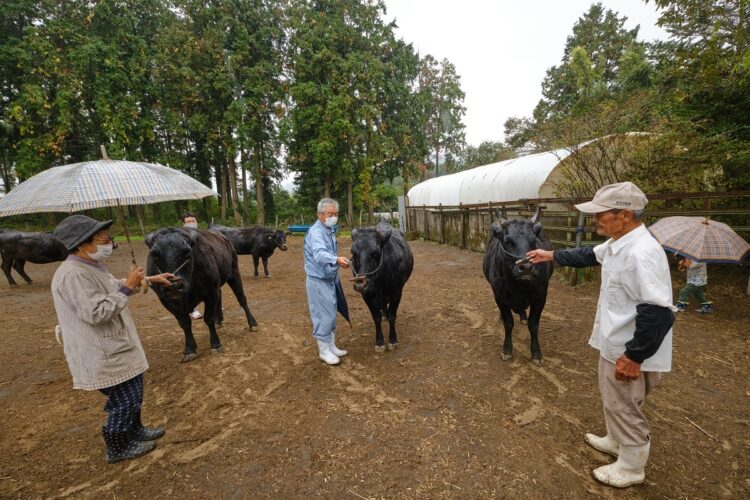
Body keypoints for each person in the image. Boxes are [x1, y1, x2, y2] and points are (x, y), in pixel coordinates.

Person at [526, 182, 675, 488]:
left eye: (601, 214)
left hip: (629, 348)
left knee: (624, 404)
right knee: (615, 399)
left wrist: (634, 356)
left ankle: (632, 468)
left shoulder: (641, 253)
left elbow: (658, 311)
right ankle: (616, 440)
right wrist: (549, 255)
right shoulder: (618, 243)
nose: (595, 221)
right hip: (617, 342)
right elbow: (587, 255)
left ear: (626, 214)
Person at [51, 215, 174, 464]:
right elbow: (95, 313)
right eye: (104, 238)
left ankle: (135, 430)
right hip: (101, 350)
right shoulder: (72, 274)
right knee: (123, 399)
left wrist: (148, 280)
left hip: (114, 346)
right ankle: (117, 445)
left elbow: (111, 287)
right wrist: (128, 287)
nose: (110, 242)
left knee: (134, 390)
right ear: (82, 243)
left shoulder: (89, 266)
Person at [303, 198, 350, 365]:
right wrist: (336, 259)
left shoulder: (328, 229)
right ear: (320, 215)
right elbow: (319, 254)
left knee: (331, 312)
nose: (334, 217)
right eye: (330, 214)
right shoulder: (316, 232)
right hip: (318, 280)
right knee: (323, 315)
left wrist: (337, 262)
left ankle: (331, 345)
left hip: (329, 278)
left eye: (336, 214)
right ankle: (323, 351)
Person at [181, 212, 202, 319]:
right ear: (183, 224)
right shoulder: (181, 237)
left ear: (197, 222)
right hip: (188, 267)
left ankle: (215, 306)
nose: (191, 224)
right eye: (188, 222)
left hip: (203, 265)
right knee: (191, 288)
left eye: (193, 221)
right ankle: (194, 309)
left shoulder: (203, 235)